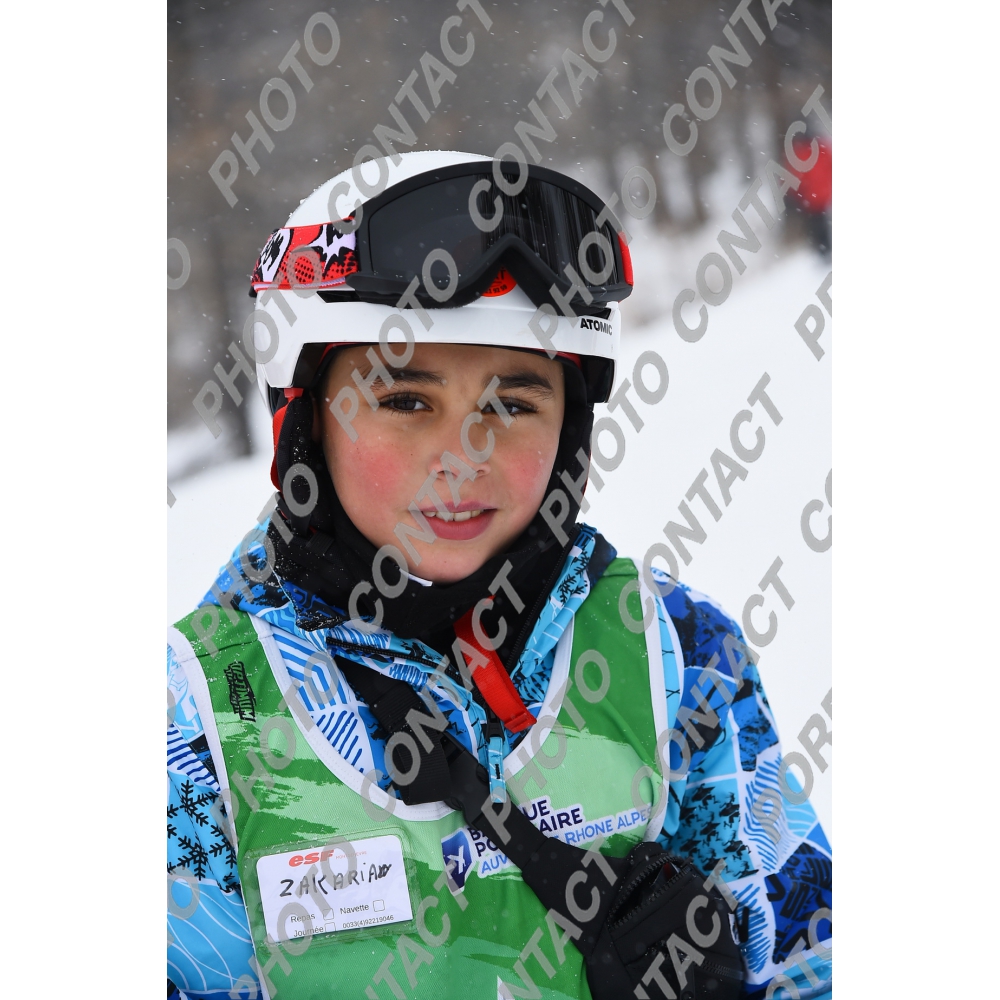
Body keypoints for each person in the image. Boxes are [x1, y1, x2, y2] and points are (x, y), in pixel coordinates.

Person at [167, 151, 832, 999]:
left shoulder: (679, 657)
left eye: (513, 404)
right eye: (406, 401)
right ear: (305, 422)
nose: (464, 454)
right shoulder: (200, 722)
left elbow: (813, 950)